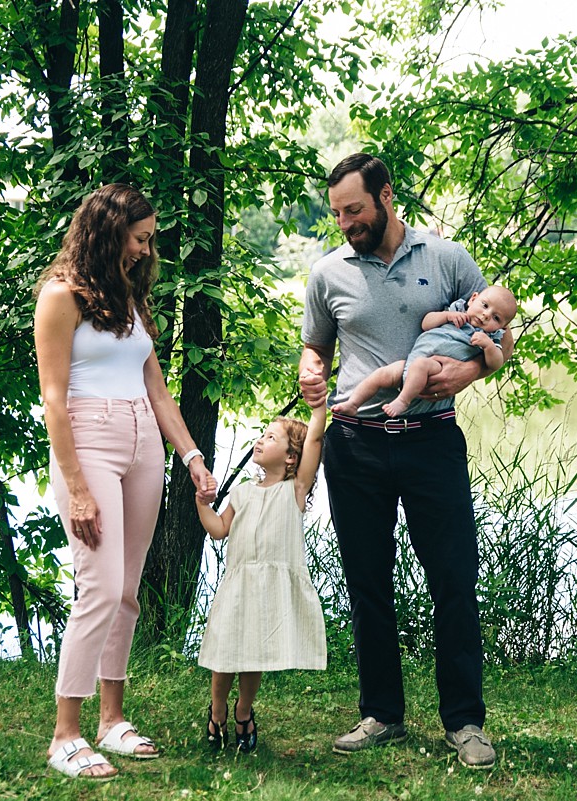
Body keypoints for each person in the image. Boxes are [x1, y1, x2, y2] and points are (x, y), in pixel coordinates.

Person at [298, 153, 513, 770]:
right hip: (356, 443)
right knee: (367, 581)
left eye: (355, 209)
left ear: (386, 196)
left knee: (453, 578)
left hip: (431, 440)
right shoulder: (327, 273)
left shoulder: (446, 258)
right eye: (338, 212)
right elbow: (315, 350)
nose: (345, 222)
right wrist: (314, 374)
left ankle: (465, 723)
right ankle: (382, 714)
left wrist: (469, 371)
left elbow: (500, 331)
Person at [34, 183, 217, 782]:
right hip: (89, 443)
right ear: (109, 231)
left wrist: (190, 456)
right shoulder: (61, 296)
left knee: (129, 590)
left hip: (143, 445)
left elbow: (158, 393)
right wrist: (78, 487)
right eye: (140, 238)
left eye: (149, 239)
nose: (146, 249)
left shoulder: (131, 302)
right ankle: (66, 734)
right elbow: (54, 402)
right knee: (100, 588)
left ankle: (112, 720)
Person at [194, 404, 327, 754]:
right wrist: (202, 505)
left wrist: (319, 409)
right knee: (225, 652)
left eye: (271, 437)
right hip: (238, 585)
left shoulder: (295, 490)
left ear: (290, 458)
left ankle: (243, 710)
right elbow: (219, 530)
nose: (261, 439)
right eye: (262, 434)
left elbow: (315, 441)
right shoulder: (241, 492)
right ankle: (218, 708)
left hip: (268, 590)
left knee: (254, 654)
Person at [330, 285, 517, 419]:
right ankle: (353, 404)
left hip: (436, 368)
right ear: (473, 298)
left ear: (503, 326)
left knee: (421, 364)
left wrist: (488, 346)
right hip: (410, 364)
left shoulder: (489, 337)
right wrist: (446, 316)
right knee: (382, 374)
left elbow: (496, 363)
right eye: (485, 306)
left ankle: (403, 400)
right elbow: (426, 323)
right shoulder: (455, 312)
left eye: (496, 317)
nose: (486, 315)